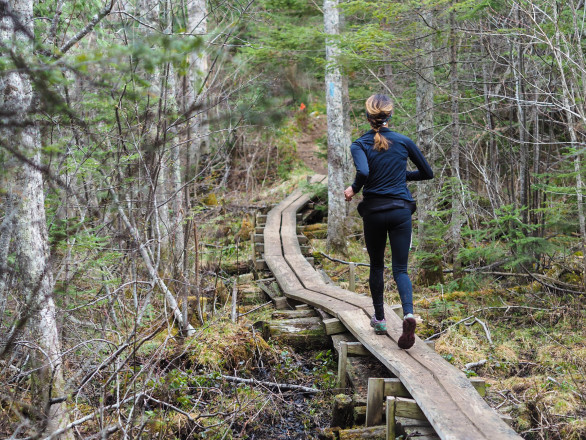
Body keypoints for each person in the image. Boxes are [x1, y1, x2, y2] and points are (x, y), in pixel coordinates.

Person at [344, 94, 433, 349]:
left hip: (374, 212)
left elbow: (363, 172)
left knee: (376, 266)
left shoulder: (359, 144)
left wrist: (353, 188)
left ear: (368, 116)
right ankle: (407, 314)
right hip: (400, 211)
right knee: (401, 268)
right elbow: (427, 173)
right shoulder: (403, 142)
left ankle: (380, 319)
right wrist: (400, 175)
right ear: (389, 116)